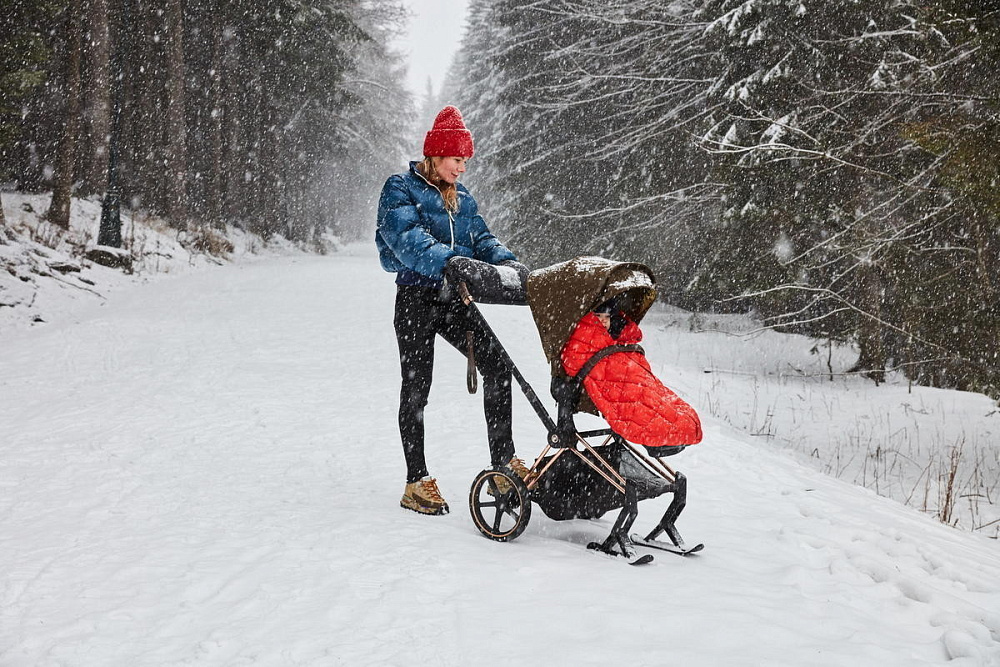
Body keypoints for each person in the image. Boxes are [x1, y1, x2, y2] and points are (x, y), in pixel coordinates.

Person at [376, 105, 530, 516]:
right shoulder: (400, 188)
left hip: (453, 299)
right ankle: (416, 481)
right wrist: (449, 262)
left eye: (465, 161)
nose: (462, 168)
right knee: (417, 387)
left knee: (498, 366)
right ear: (436, 154)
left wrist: (509, 263)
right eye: (457, 159)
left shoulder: (462, 199)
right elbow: (405, 238)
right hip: (415, 299)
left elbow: (482, 239)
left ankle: (503, 465)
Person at [560, 298, 703, 449]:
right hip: (612, 376)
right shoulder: (582, 339)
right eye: (598, 316)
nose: (603, 321)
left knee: (656, 398)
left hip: (633, 377)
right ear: (588, 318)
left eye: (607, 317)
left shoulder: (617, 339)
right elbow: (575, 359)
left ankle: (670, 422)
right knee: (644, 406)